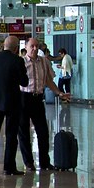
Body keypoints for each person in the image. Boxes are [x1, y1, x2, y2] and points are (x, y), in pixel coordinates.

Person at [18, 37, 70, 171]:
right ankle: (29, 163)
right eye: (32, 46)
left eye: (37, 46)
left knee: (43, 131)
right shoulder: (21, 62)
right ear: (26, 48)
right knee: (23, 132)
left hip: (38, 98)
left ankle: (44, 162)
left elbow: (48, 80)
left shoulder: (44, 61)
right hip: (23, 98)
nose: (35, 49)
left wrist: (59, 93)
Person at [0, 35, 29, 175]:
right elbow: (24, 82)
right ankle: (9, 167)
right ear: (16, 49)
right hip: (12, 102)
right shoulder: (18, 60)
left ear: (3, 45)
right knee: (11, 135)